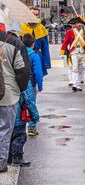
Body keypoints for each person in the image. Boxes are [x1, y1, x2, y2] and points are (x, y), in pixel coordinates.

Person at [0, 30, 30, 173]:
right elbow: (23, 72)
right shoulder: (14, 43)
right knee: (5, 129)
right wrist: (19, 89)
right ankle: (0, 162)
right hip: (8, 93)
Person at [8, 36, 40, 166]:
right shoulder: (23, 78)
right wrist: (35, 116)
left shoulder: (6, 76)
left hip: (7, 112)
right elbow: (29, 99)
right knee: (20, 136)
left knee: (7, 135)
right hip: (19, 115)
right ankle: (17, 157)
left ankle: (8, 157)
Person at [22, 34, 43, 136]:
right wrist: (40, 85)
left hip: (19, 83)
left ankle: (20, 127)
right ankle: (31, 128)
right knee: (31, 104)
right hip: (31, 83)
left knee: (20, 105)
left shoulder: (18, 53)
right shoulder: (34, 55)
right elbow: (38, 72)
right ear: (33, 44)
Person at [60, 16, 85, 92]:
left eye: (80, 23)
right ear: (75, 24)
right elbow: (65, 42)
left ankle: (78, 83)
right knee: (75, 68)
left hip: (83, 52)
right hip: (74, 52)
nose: (79, 24)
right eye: (78, 23)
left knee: (81, 68)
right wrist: (62, 52)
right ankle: (75, 84)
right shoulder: (70, 32)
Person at [20, 7, 51, 77]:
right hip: (25, 55)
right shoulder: (22, 27)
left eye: (36, 15)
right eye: (32, 14)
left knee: (38, 76)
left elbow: (45, 48)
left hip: (37, 55)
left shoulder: (41, 28)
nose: (34, 17)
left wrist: (46, 63)